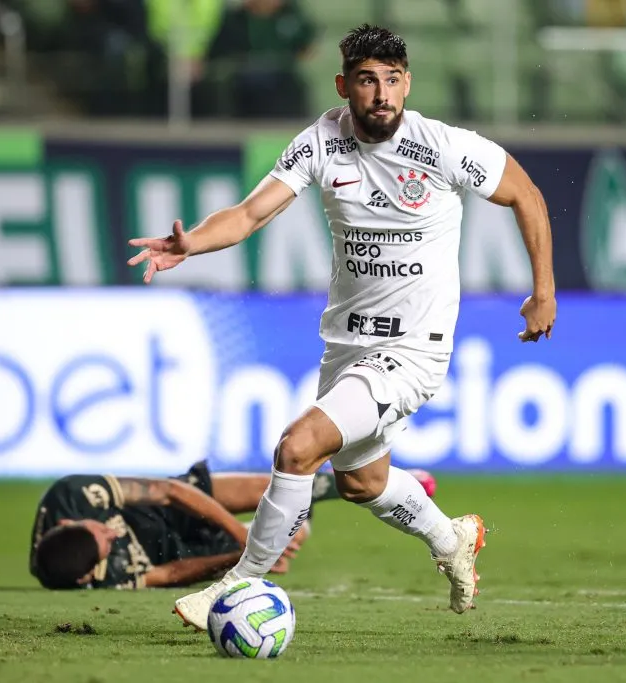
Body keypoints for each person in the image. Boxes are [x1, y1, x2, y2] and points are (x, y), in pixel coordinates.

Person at [127, 24, 556, 629]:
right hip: (348, 343)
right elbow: (251, 213)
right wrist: (191, 243)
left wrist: (543, 291)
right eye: (367, 80)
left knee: (296, 448)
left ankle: (235, 587)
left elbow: (527, 194)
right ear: (343, 85)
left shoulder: (442, 146)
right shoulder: (321, 143)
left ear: (407, 83)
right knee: (361, 482)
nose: (382, 93)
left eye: (392, 79)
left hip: (411, 349)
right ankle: (452, 537)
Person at [30, 460, 438, 589]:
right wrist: (243, 554)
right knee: (291, 532)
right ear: (90, 573)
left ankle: (372, 482)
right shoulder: (95, 575)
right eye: (107, 544)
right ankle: (303, 511)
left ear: (69, 521)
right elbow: (168, 573)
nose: (111, 533)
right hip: (174, 550)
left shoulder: (72, 495)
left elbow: (171, 492)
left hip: (169, 508)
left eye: (101, 528)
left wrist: (240, 530)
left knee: (273, 487)